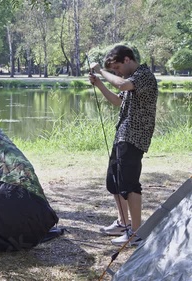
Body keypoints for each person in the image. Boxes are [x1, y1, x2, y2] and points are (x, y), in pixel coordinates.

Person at [89, 45, 158, 246]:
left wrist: (101, 70)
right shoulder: (132, 80)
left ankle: (137, 233)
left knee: (130, 184)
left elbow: (121, 85)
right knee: (115, 182)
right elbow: (118, 101)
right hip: (123, 134)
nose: (117, 73)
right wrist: (100, 83)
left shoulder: (143, 75)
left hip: (135, 136)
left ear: (127, 60)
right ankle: (122, 223)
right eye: (114, 71)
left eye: (117, 68)